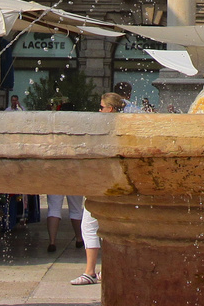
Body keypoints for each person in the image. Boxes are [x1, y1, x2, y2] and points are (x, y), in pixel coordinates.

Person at [70, 92, 126, 286]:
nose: (98, 110)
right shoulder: (124, 125)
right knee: (112, 226)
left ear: (109, 109)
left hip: (103, 182)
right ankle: (105, 269)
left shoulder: (103, 128)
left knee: (89, 225)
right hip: (118, 183)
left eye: (101, 107)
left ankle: (90, 272)